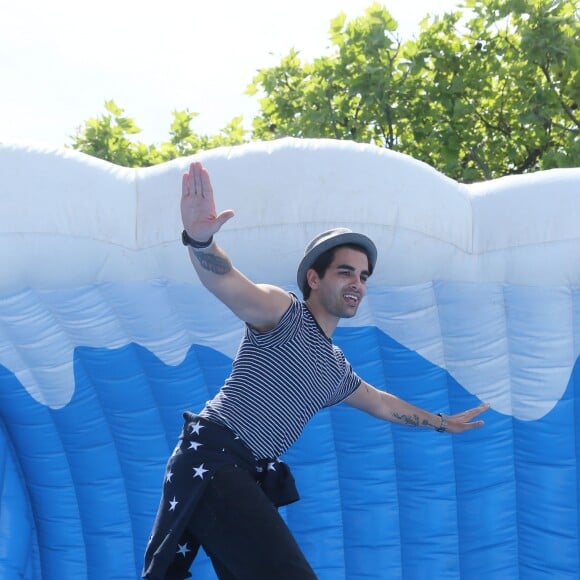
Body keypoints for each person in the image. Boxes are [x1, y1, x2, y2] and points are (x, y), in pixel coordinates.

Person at [142, 161, 489, 579]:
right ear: (313, 277)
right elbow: (226, 282)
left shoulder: (335, 369)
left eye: (363, 276)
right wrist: (200, 241)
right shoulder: (282, 312)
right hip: (214, 458)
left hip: (239, 471)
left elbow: (379, 402)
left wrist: (439, 422)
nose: (358, 283)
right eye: (346, 272)